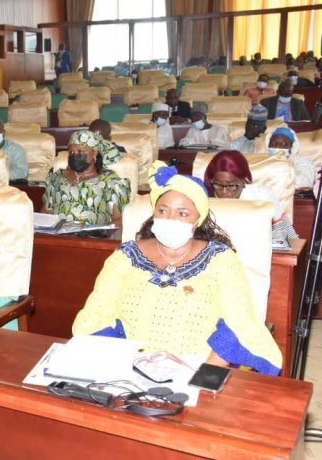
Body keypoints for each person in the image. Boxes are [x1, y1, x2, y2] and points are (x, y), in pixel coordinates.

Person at [72, 161, 282, 375]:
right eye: (163, 210)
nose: (170, 219)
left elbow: (239, 322)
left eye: (183, 214)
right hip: (127, 368)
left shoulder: (220, 259)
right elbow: (97, 314)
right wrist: (120, 368)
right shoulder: (125, 256)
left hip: (198, 369)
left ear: (198, 219)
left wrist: (201, 378)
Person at [204, 150, 298, 242]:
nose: (224, 191)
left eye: (231, 185)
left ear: (244, 181)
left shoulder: (263, 196)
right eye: (218, 185)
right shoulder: (204, 196)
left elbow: (289, 236)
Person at [41, 130, 130, 226]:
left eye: (81, 151)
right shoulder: (57, 176)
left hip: (93, 238)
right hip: (57, 237)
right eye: (71, 152)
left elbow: (120, 219)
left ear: (95, 153)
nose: (75, 155)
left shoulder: (111, 181)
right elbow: (46, 210)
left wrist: (101, 233)